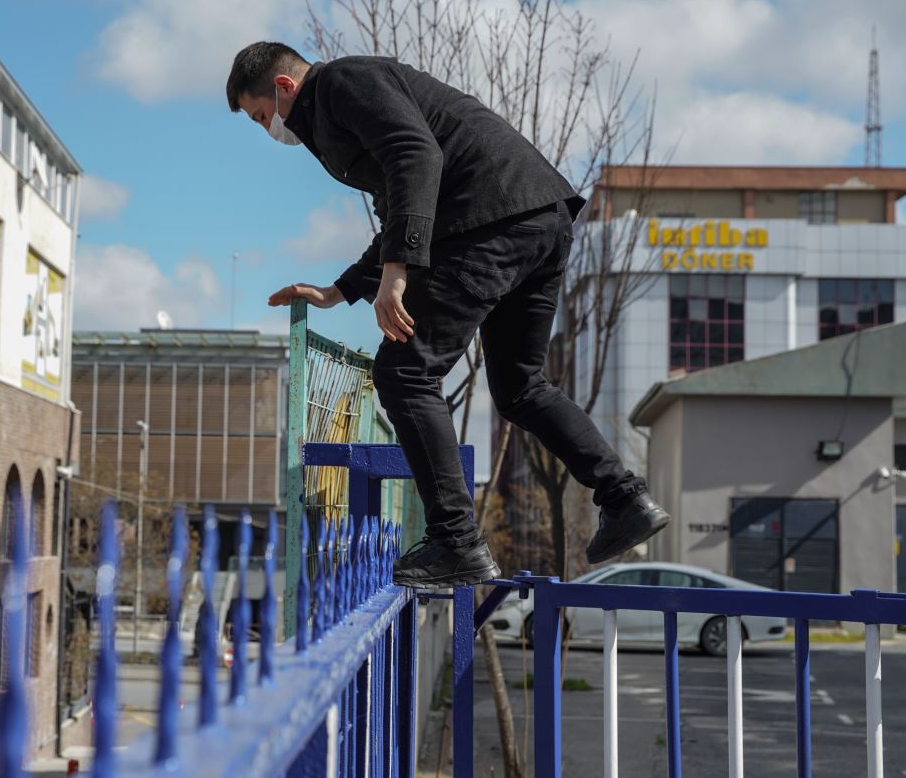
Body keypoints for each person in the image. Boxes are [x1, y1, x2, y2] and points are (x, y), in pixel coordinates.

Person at [227, 43, 669, 588]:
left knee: (405, 371)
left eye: (263, 116)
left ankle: (456, 542)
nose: (271, 131)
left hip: (489, 220)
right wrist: (340, 291)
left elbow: (415, 155)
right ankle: (626, 499)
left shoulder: (342, 83)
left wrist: (397, 274)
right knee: (520, 387)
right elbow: (399, 202)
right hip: (534, 217)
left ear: (285, 87)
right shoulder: (337, 111)